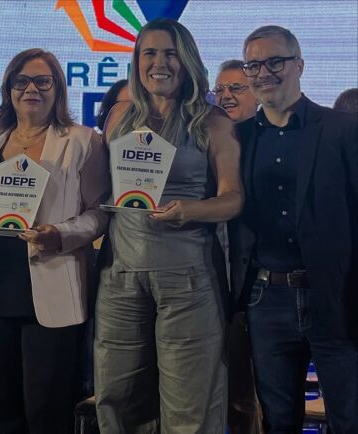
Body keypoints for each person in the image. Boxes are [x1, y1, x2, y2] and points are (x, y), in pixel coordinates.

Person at [94, 18, 243, 433]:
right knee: (117, 400)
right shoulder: (119, 116)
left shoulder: (212, 121)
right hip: (120, 278)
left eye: (170, 53)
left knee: (188, 408)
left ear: (188, 61)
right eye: (150, 53)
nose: (159, 63)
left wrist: (189, 210)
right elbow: (100, 193)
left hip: (187, 280)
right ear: (136, 61)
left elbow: (233, 198)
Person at [0, 48, 110, 434]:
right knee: (2, 413)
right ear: (8, 90)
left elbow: (100, 213)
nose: (31, 89)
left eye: (43, 81)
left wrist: (61, 235)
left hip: (51, 290)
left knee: (47, 414)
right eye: (21, 81)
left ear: (58, 89)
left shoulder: (82, 141)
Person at [228, 25, 358, 433]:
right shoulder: (236, 138)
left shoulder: (342, 130)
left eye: (275, 62)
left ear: (299, 65)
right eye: (253, 65)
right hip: (266, 299)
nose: (263, 72)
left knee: (349, 419)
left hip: (334, 297)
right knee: (279, 421)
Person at [213, 59, 262, 434]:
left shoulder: (265, 146)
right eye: (220, 90)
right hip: (208, 284)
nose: (226, 96)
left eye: (236, 88)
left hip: (253, 290)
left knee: (245, 397)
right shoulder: (204, 143)